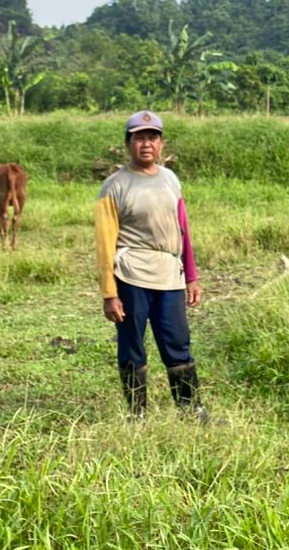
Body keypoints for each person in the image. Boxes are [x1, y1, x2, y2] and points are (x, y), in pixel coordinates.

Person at [95, 110, 205, 419]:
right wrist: (109, 294)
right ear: (128, 144)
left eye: (152, 138)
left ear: (161, 143)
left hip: (169, 275)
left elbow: (182, 229)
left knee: (178, 344)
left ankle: (191, 409)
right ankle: (137, 415)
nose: (146, 144)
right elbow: (104, 244)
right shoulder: (114, 186)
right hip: (131, 275)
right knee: (132, 346)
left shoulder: (170, 180)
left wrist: (191, 276)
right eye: (139, 138)